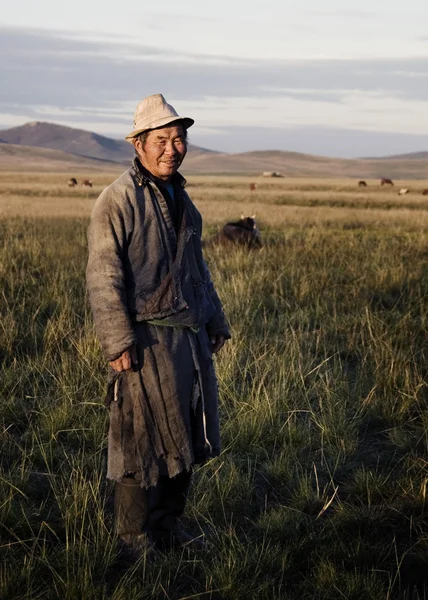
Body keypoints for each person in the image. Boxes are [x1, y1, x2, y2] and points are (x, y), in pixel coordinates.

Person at [86, 94, 230, 555]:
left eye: (179, 138)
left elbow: (198, 269)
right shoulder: (117, 199)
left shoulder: (183, 199)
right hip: (143, 340)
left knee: (187, 431)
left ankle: (167, 529)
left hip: (187, 338)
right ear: (139, 145)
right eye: (162, 139)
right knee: (137, 439)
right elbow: (103, 274)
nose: (172, 148)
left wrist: (215, 318)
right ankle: (133, 540)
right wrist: (116, 341)